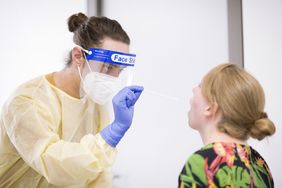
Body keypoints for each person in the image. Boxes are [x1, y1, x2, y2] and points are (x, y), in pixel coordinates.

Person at [0, 12, 143, 187]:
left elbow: (98, 173)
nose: (113, 78)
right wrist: (112, 133)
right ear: (78, 56)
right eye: (108, 67)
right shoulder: (27, 101)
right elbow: (55, 166)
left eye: (119, 71)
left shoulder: (95, 105)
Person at [178, 63, 275, 188]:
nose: (193, 89)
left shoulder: (202, 164)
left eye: (200, 86)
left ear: (210, 107)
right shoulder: (259, 164)